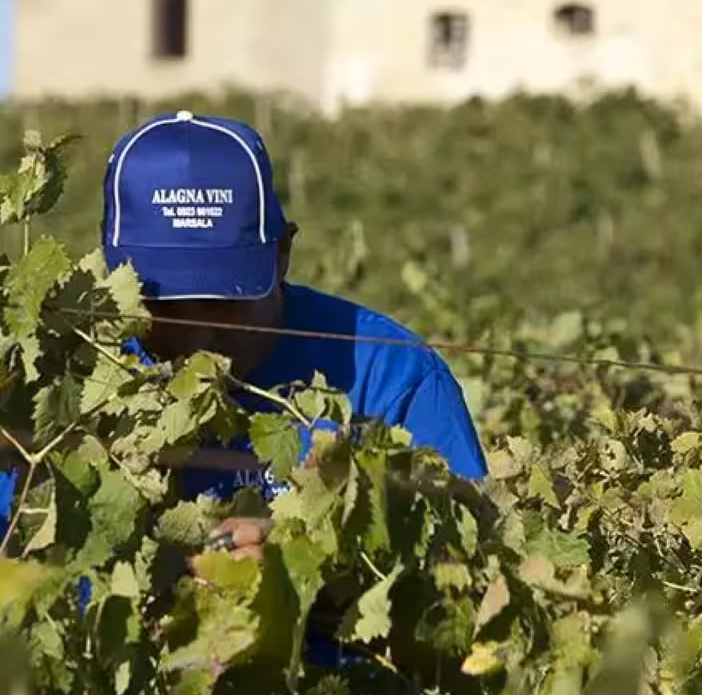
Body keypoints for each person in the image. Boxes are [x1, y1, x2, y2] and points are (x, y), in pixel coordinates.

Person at [101, 109, 488, 560]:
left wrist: (313, 557)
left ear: (282, 253)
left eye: (228, 299)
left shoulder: (392, 377)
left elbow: (467, 566)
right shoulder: (76, 376)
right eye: (165, 306)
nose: (200, 336)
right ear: (115, 275)